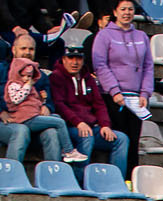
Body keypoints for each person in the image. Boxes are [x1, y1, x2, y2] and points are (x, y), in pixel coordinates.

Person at [50, 40, 129, 170]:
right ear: (63, 59)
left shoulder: (89, 79)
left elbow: (99, 104)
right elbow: (59, 105)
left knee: (121, 139)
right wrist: (78, 122)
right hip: (70, 128)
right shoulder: (56, 77)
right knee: (86, 136)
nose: (75, 62)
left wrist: (105, 125)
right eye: (71, 58)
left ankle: (116, 181)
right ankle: (79, 181)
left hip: (92, 126)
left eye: (79, 59)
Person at [91, 0, 155, 156]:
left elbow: (148, 66)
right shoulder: (104, 35)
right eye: (123, 9)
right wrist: (114, 91)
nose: (127, 13)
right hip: (113, 98)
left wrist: (145, 93)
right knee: (119, 140)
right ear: (115, 12)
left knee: (134, 142)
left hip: (136, 98)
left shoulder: (142, 36)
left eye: (130, 9)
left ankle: (130, 179)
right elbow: (100, 65)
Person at [0, 43, 68, 164]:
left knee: (51, 132)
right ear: (14, 50)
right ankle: (12, 176)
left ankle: (53, 175)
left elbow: (50, 100)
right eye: (23, 48)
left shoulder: (39, 76)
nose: (28, 52)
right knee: (21, 130)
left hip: (32, 121)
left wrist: (47, 107)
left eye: (31, 49)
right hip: (2, 123)